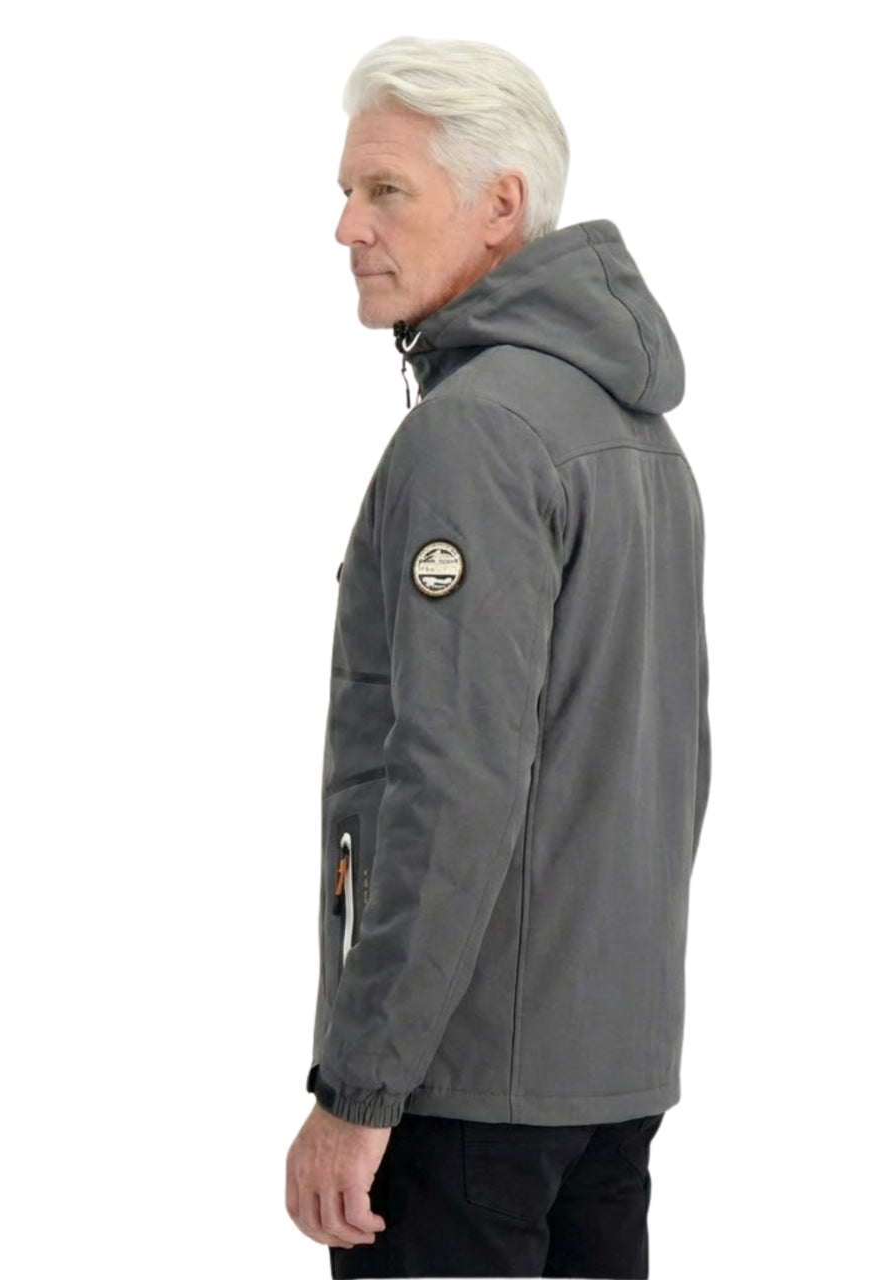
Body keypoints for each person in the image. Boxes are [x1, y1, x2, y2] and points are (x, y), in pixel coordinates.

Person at [285, 35, 710, 1280]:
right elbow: (666, 767)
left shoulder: (471, 436)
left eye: (385, 190)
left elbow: (453, 778)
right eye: (347, 190)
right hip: (606, 1076)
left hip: (463, 1089)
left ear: (500, 205)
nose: (346, 226)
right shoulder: (634, 434)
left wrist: (361, 1087)